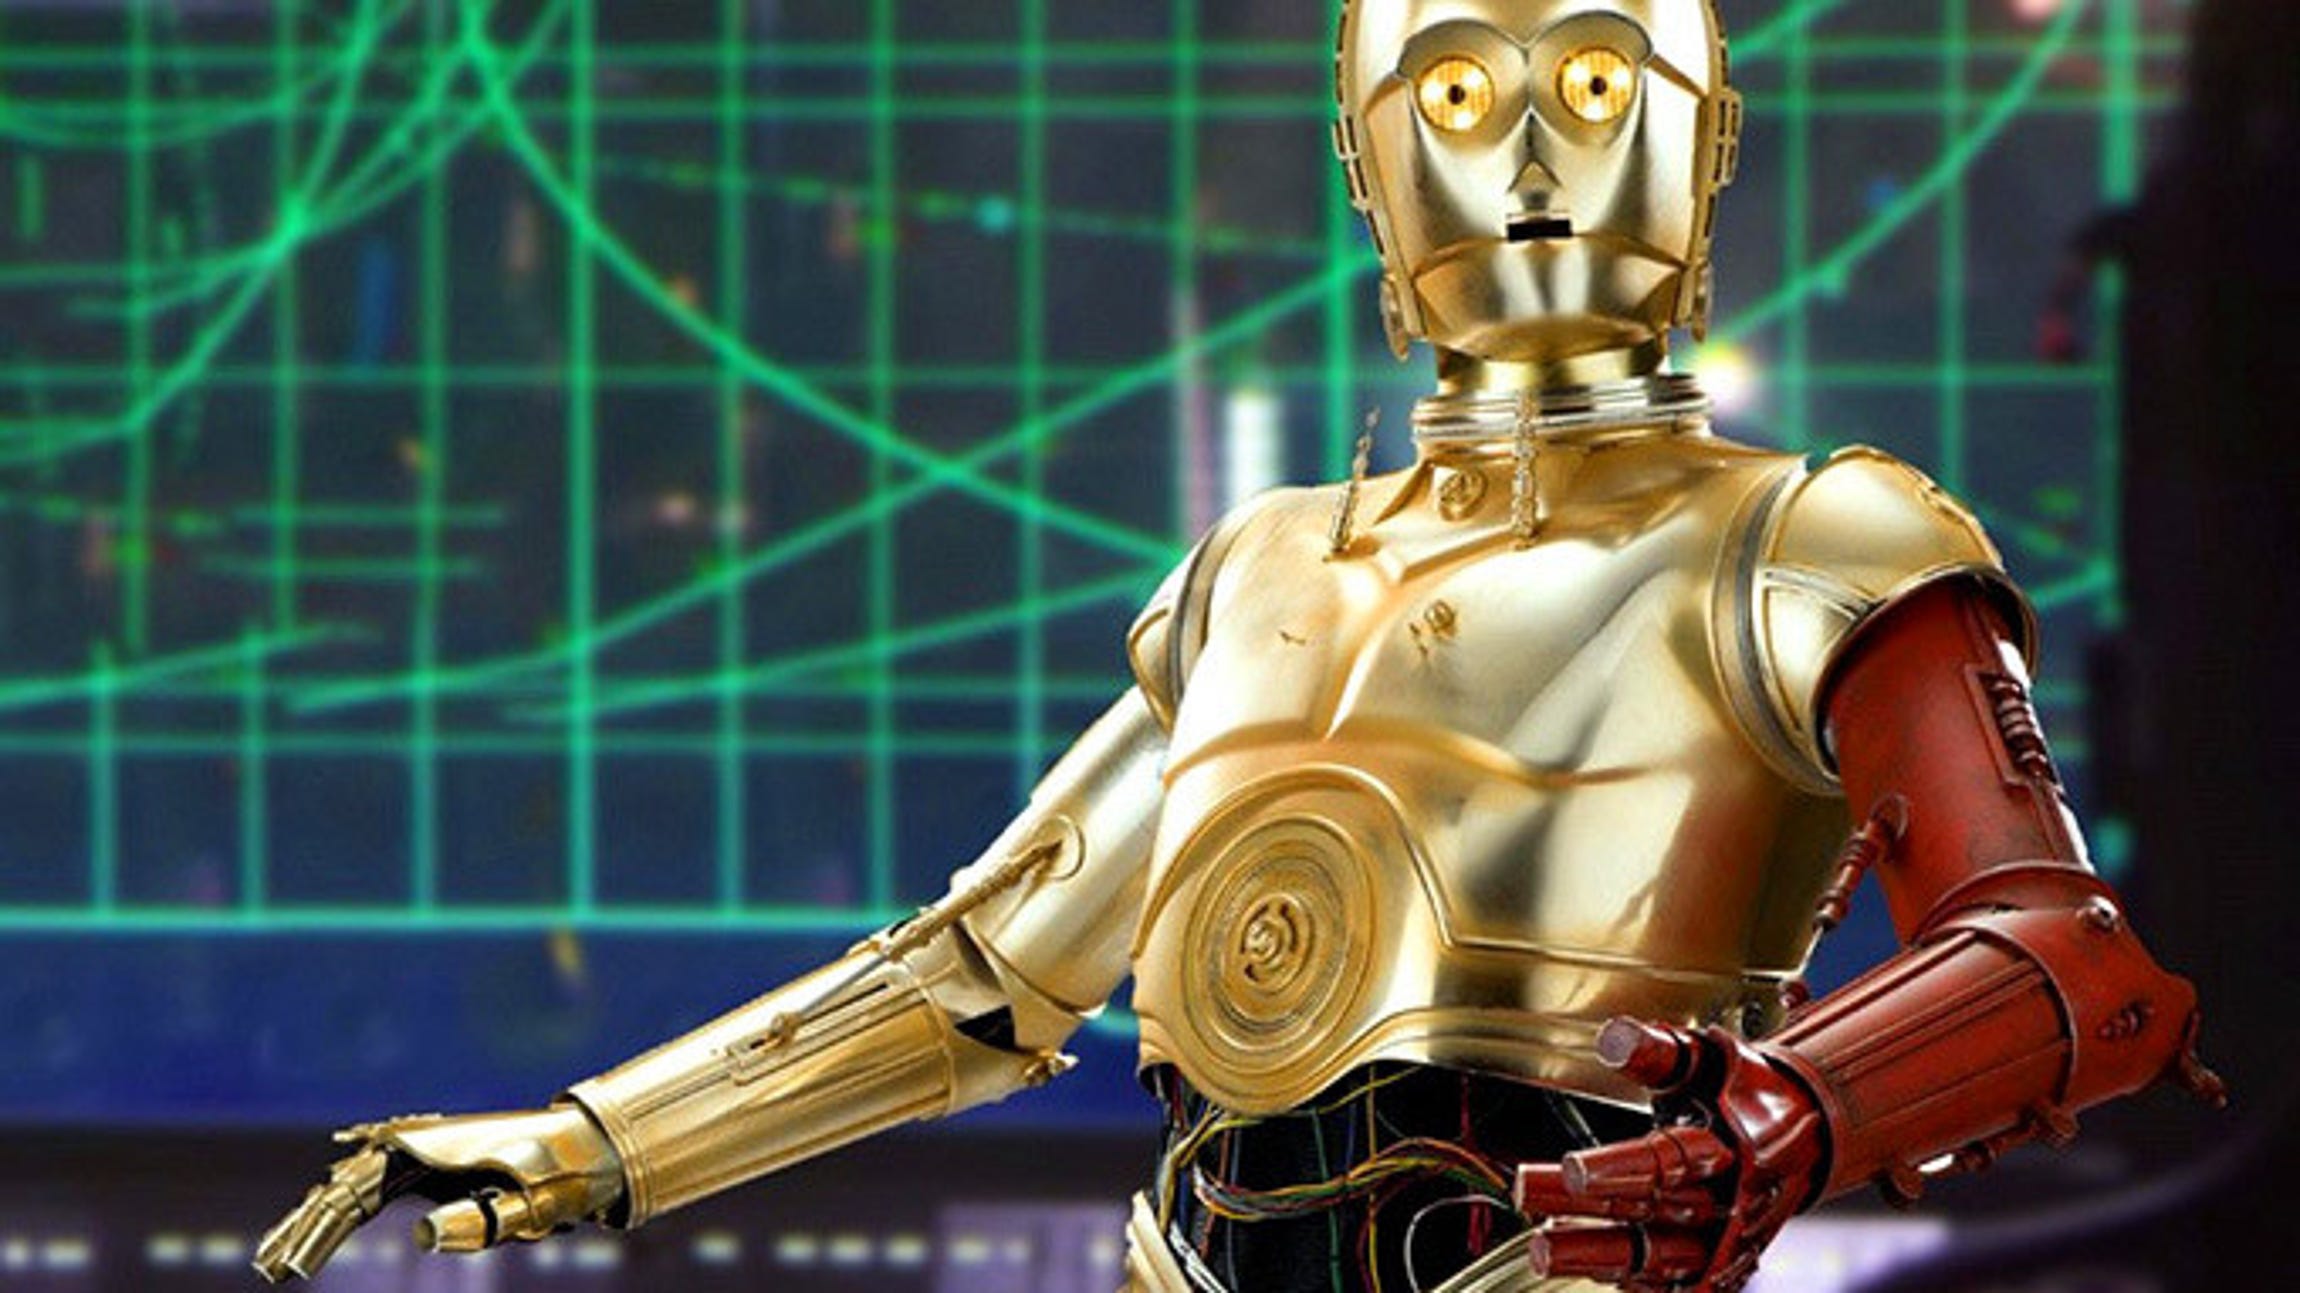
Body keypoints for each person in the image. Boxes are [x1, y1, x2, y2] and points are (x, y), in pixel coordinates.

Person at [255, 3, 2217, 1290]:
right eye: (1463, 95)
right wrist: (588, 1144)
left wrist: (1783, 1114)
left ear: (1695, 144)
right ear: (1377, 157)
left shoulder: (1808, 539)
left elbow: (2069, 960)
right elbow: (979, 979)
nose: (1533, 160)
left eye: (1599, 88)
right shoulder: (1253, 565)